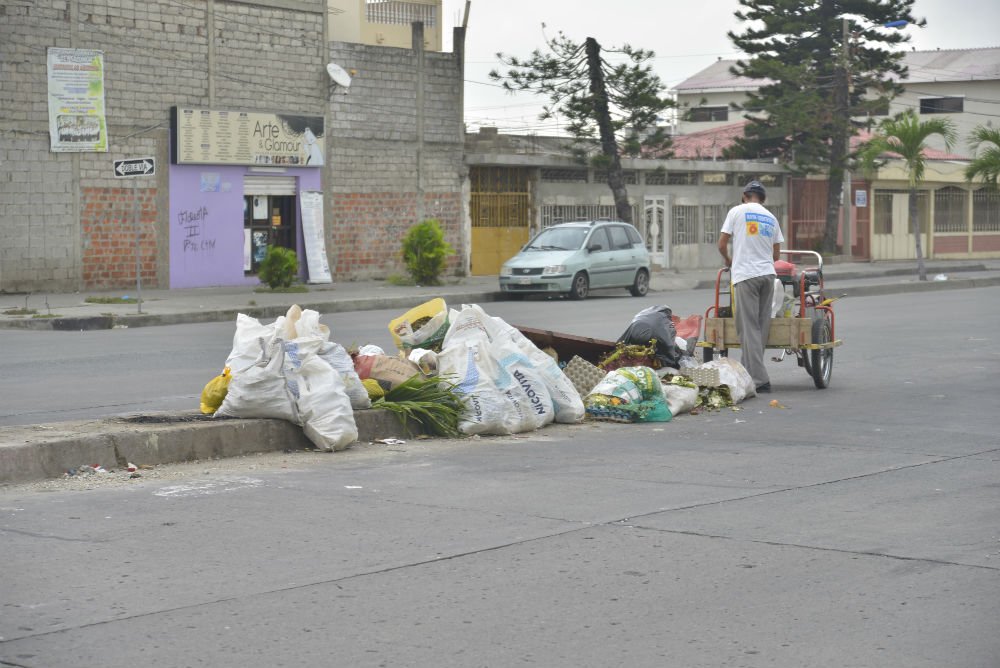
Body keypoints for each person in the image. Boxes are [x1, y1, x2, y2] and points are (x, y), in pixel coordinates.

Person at [717, 180, 784, 394]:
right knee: (760, 327)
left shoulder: (736, 211)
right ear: (762, 198)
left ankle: (760, 379)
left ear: (745, 195)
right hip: (768, 276)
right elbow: (776, 255)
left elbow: (721, 243)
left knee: (747, 328)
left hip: (746, 275)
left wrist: (729, 260)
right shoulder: (771, 217)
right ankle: (747, 374)